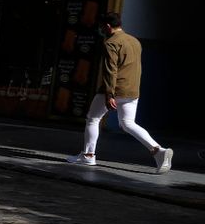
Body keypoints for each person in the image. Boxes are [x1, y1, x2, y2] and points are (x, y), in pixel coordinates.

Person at [66, 11, 172, 172]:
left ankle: (88, 156)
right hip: (132, 90)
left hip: (115, 89)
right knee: (128, 123)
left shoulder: (110, 43)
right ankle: (158, 150)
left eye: (102, 27)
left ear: (108, 26)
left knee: (93, 119)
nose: (102, 29)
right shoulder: (135, 41)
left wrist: (109, 94)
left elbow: (110, 70)